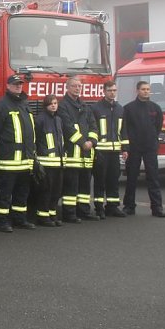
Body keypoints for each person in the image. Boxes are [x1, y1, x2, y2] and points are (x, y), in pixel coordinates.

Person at [0, 74, 36, 233]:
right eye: (15, 84)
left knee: (22, 193)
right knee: (4, 193)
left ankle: (20, 219)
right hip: (9, 160)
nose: (18, 86)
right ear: (7, 86)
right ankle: (2, 222)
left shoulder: (25, 104)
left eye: (20, 84)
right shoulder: (1, 106)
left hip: (25, 160)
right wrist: (4, 146)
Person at [58, 77, 100, 223]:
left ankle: (84, 211)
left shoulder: (85, 106)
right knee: (71, 185)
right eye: (74, 86)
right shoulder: (63, 106)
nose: (77, 88)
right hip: (72, 153)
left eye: (79, 86)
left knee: (85, 185)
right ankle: (69, 214)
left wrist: (92, 141)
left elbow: (94, 126)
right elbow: (67, 128)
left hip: (86, 154)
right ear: (67, 88)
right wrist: (83, 142)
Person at [123, 81, 165, 217]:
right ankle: (129, 206)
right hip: (134, 148)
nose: (146, 91)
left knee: (153, 177)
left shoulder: (155, 108)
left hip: (150, 147)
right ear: (137, 91)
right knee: (131, 177)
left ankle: (157, 208)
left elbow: (158, 127)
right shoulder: (128, 109)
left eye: (148, 89)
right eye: (143, 89)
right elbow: (124, 128)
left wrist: (152, 140)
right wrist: (127, 147)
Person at [91, 80, 128, 218]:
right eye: (109, 90)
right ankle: (99, 208)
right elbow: (92, 130)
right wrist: (94, 149)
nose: (112, 93)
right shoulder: (96, 108)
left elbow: (123, 130)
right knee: (100, 180)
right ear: (104, 91)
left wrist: (125, 148)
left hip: (114, 152)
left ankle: (112, 207)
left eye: (114, 90)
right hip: (101, 151)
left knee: (113, 179)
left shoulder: (120, 109)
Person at [34, 94, 65, 227]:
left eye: (55, 103)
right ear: (45, 105)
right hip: (46, 162)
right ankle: (43, 216)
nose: (53, 105)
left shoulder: (58, 119)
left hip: (58, 162)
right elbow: (35, 139)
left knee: (56, 191)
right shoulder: (40, 119)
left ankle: (52, 214)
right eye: (51, 103)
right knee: (46, 190)